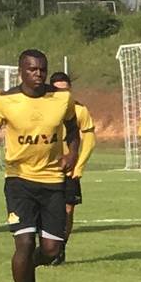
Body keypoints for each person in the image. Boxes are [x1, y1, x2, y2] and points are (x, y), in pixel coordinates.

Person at [0, 49, 82, 282]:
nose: (38, 74)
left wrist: (72, 154)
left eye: (42, 69)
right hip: (19, 180)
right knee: (23, 243)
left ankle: (27, 268)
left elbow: (73, 131)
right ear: (20, 71)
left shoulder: (62, 98)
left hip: (53, 180)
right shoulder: (4, 100)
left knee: (51, 250)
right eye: (32, 69)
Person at [51, 70, 98, 260]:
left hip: (70, 168)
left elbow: (89, 140)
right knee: (47, 209)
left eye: (66, 90)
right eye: (58, 90)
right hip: (46, 167)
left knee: (68, 209)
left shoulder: (80, 110)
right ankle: (47, 245)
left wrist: (79, 165)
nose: (63, 94)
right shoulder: (44, 108)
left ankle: (61, 248)